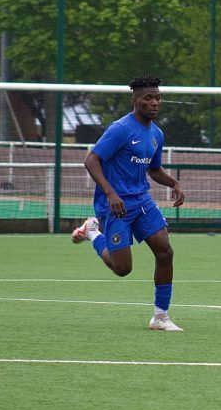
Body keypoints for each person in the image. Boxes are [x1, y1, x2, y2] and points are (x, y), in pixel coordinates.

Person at [71, 75, 186, 331]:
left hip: (142, 201)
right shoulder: (120, 129)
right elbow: (91, 161)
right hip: (116, 206)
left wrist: (174, 183)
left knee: (165, 252)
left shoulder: (156, 134)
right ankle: (92, 232)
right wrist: (111, 194)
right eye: (148, 98)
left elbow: (154, 170)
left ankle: (160, 317)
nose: (154, 102)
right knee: (122, 269)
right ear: (135, 101)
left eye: (157, 97)